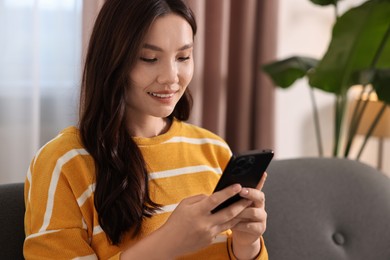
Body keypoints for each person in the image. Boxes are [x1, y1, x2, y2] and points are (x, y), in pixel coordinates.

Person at [23, 0, 268, 259]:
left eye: (183, 57)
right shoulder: (62, 164)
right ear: (113, 60)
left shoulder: (214, 150)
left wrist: (247, 245)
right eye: (149, 58)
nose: (171, 77)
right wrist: (168, 242)